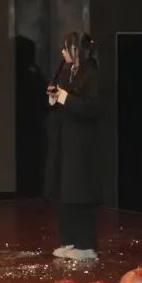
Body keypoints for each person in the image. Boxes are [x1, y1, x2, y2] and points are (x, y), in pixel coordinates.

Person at [46, 31, 101, 260]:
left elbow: (91, 108)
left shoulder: (92, 74)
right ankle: (69, 240)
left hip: (81, 143)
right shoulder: (66, 71)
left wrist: (64, 97)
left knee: (80, 193)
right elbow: (60, 103)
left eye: (66, 47)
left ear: (77, 50)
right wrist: (53, 98)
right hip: (64, 140)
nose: (62, 52)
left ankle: (85, 245)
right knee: (64, 192)